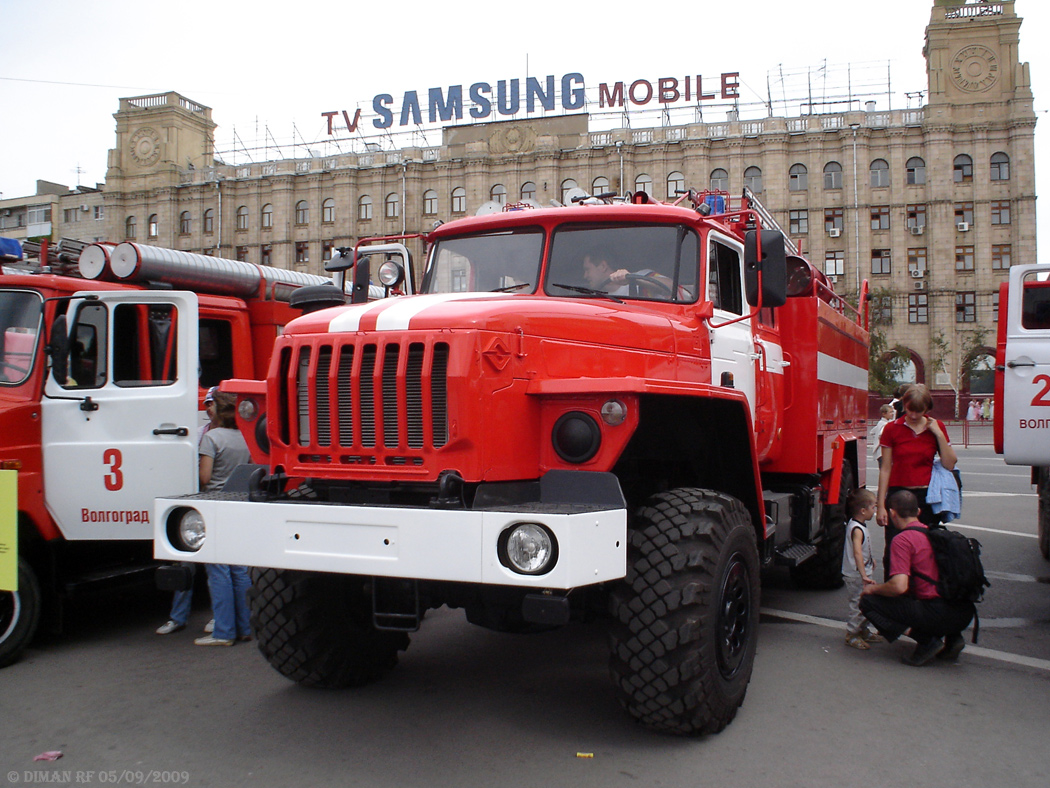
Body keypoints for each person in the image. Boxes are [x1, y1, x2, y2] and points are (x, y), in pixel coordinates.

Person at [861, 490, 975, 666]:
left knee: (868, 601)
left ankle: (926, 641)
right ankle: (953, 638)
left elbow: (898, 586)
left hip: (936, 613)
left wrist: (873, 589)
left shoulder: (902, 540)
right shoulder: (933, 534)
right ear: (919, 512)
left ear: (892, 513)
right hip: (963, 613)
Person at [156, 386, 220, 636]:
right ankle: (177, 617)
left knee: (216, 568)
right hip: (193, 505)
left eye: (212, 403)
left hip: (214, 503)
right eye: (206, 403)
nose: (208, 408)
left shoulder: (227, 435)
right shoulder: (197, 434)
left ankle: (218, 616)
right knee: (185, 564)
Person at [876, 383, 957, 579]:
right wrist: (880, 505)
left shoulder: (936, 428)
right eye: (910, 410)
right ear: (904, 404)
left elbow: (949, 463)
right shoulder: (891, 429)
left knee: (927, 548)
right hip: (898, 495)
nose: (913, 415)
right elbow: (885, 468)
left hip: (927, 497)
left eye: (919, 411)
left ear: (927, 409)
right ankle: (896, 592)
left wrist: (938, 434)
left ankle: (925, 593)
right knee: (896, 546)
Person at [194, 390, 253, 647]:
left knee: (217, 569)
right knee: (239, 569)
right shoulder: (245, 438)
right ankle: (245, 627)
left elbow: (205, 478)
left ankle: (224, 631)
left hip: (215, 504)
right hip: (239, 503)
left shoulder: (211, 438)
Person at [842, 488, 883, 650]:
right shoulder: (857, 529)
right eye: (874, 507)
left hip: (862, 572)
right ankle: (852, 634)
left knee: (865, 603)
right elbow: (857, 552)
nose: (875, 511)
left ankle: (862, 629)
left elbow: (863, 550)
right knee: (858, 605)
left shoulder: (859, 525)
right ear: (863, 510)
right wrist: (863, 573)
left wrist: (870, 560)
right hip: (857, 575)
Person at [869, 404, 895, 468]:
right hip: (883, 452)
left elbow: (872, 432)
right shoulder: (886, 425)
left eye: (892, 412)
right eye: (890, 412)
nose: (892, 414)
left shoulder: (880, 423)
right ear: (884, 414)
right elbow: (881, 435)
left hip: (879, 453)